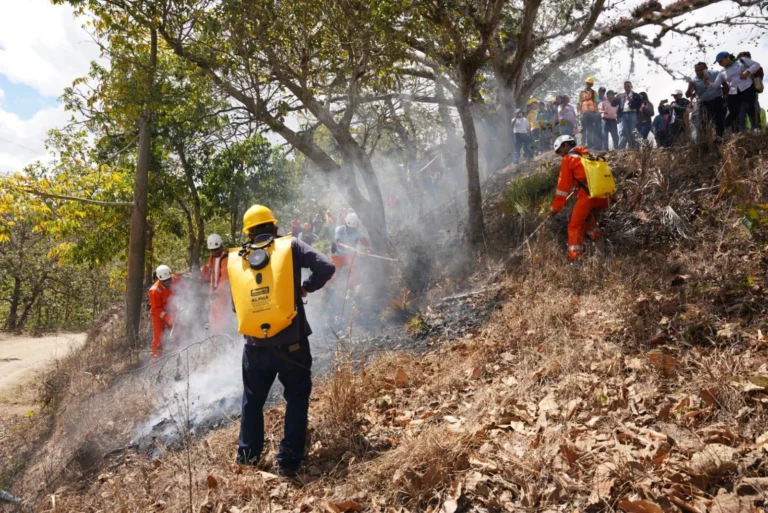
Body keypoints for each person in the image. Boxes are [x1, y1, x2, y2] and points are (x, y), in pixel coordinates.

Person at [232, 204, 335, 476]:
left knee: (252, 402)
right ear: (275, 228)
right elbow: (326, 266)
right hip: (293, 343)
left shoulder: (240, 258)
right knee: (297, 398)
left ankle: (247, 459)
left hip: (254, 346)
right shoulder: (291, 246)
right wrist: (305, 287)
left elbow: (237, 306)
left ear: (249, 233)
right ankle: (288, 462)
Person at [550, 135, 610, 262]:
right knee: (586, 217)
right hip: (604, 196)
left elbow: (562, 188)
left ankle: (576, 257)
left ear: (566, 145)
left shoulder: (568, 159)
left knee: (574, 225)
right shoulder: (587, 155)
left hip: (587, 197)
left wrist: (555, 208)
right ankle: (599, 243)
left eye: (560, 151)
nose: (561, 155)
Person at [708, 51, 761, 134]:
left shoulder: (741, 61)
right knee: (734, 111)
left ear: (727, 57)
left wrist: (747, 72)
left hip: (746, 87)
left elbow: (757, 65)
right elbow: (715, 85)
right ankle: (738, 130)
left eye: (721, 61)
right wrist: (707, 83)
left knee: (750, 107)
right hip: (733, 91)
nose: (720, 64)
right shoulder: (722, 72)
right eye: (718, 62)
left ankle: (756, 127)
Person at [200, 234, 235, 337]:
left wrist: (217, 292)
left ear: (221, 246)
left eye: (216, 249)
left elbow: (225, 279)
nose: (213, 252)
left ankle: (222, 341)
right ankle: (214, 341)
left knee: (221, 322)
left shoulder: (225, 259)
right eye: (211, 250)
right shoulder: (212, 259)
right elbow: (212, 277)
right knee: (213, 320)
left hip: (223, 296)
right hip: (214, 295)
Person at [687, 62, 726, 141]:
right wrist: (689, 87)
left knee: (719, 120)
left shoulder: (715, 74)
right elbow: (688, 95)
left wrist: (726, 95)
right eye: (697, 71)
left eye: (701, 70)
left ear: (706, 69)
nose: (699, 72)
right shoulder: (694, 81)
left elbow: (724, 84)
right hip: (704, 102)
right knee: (703, 122)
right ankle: (704, 140)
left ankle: (719, 138)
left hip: (717, 99)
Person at [148, 264, 179, 359]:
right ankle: (155, 362)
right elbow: (157, 309)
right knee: (158, 340)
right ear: (160, 280)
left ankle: (179, 354)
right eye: (165, 281)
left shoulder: (176, 279)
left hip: (172, 310)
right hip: (158, 315)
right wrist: (168, 318)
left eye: (169, 279)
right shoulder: (154, 291)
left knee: (178, 333)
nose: (168, 282)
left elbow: (184, 291)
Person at [331, 212, 370, 277]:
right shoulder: (340, 229)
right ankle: (326, 286)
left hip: (350, 255)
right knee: (333, 271)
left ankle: (353, 285)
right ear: (346, 224)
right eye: (349, 227)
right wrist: (347, 247)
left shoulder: (357, 232)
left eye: (353, 228)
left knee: (354, 269)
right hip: (338, 254)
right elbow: (338, 243)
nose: (351, 230)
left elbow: (365, 242)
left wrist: (367, 249)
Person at [613, 81, 643, 149]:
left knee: (632, 131)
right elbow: (613, 104)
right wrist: (615, 99)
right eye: (626, 86)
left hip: (632, 113)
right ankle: (621, 149)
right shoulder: (621, 95)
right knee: (622, 131)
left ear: (631, 86)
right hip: (623, 114)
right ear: (624, 87)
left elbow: (639, 105)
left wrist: (631, 100)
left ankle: (634, 147)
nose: (627, 88)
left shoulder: (636, 95)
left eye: (628, 86)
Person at [577, 77, 601, 148]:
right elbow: (578, 104)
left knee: (590, 129)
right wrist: (579, 114)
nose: (588, 85)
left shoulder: (594, 93)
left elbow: (596, 103)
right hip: (584, 113)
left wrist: (596, 113)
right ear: (585, 83)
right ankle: (582, 143)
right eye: (587, 83)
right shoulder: (581, 93)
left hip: (591, 113)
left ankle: (589, 144)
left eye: (590, 84)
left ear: (592, 85)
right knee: (583, 128)